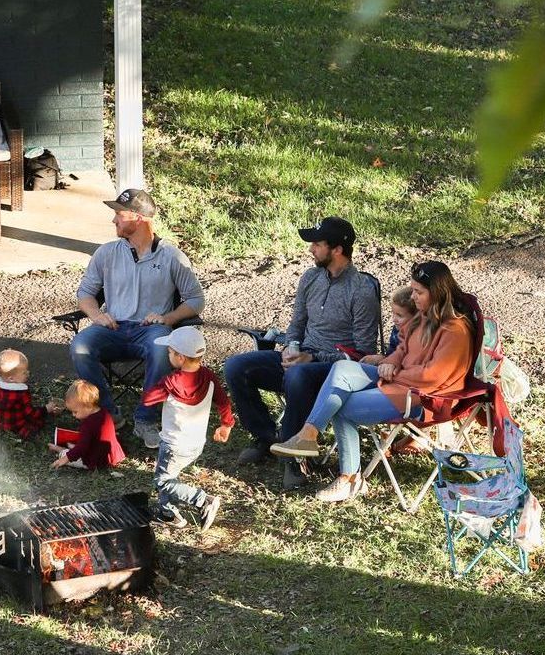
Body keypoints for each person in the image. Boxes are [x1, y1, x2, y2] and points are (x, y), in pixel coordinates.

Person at [272, 260, 471, 504]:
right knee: (342, 367)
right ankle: (308, 434)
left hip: (424, 397)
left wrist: (393, 373)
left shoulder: (455, 330)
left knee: (342, 406)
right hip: (400, 382)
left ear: (437, 292)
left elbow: (433, 377)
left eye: (419, 292)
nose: (414, 296)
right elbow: (403, 348)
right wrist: (392, 361)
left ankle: (350, 479)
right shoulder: (424, 317)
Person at [221, 216, 382, 491]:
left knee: (298, 376)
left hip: (333, 371)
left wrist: (314, 359)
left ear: (338, 250)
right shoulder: (310, 277)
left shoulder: (361, 290)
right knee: (236, 366)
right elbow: (296, 325)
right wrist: (292, 347)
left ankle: (296, 458)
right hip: (301, 357)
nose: (311, 250)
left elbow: (362, 353)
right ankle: (266, 438)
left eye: (317, 244)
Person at [70, 188, 205, 450]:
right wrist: (97, 315)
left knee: (162, 347)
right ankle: (109, 413)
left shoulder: (170, 256)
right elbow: (85, 294)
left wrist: (168, 318)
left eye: (119, 215)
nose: (114, 221)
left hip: (151, 329)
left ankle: (145, 419)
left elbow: (196, 300)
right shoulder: (107, 253)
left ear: (138, 218)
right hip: (113, 327)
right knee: (80, 346)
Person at [139, 325, 232, 529]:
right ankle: (168, 514)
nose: (168, 355)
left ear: (180, 357)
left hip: (174, 444)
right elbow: (223, 402)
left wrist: (156, 383)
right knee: (171, 476)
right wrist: (226, 424)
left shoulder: (171, 382)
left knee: (163, 481)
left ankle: (203, 500)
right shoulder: (208, 377)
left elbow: (147, 400)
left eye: (170, 352)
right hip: (195, 443)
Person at [49, 380, 125, 472]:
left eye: (75, 412)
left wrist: (64, 459)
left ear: (87, 406)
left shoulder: (87, 425)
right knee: (77, 445)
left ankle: (61, 450)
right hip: (113, 455)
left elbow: (81, 448)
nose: (73, 415)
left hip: (98, 461)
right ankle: (68, 448)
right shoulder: (105, 413)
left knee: (68, 454)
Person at [0, 348, 62, 438]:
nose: (28, 373)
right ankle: (17, 432)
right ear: (11, 378)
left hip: (3, 420)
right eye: (24, 372)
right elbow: (30, 414)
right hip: (16, 425)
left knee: (1, 417)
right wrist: (46, 409)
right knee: (37, 424)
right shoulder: (20, 394)